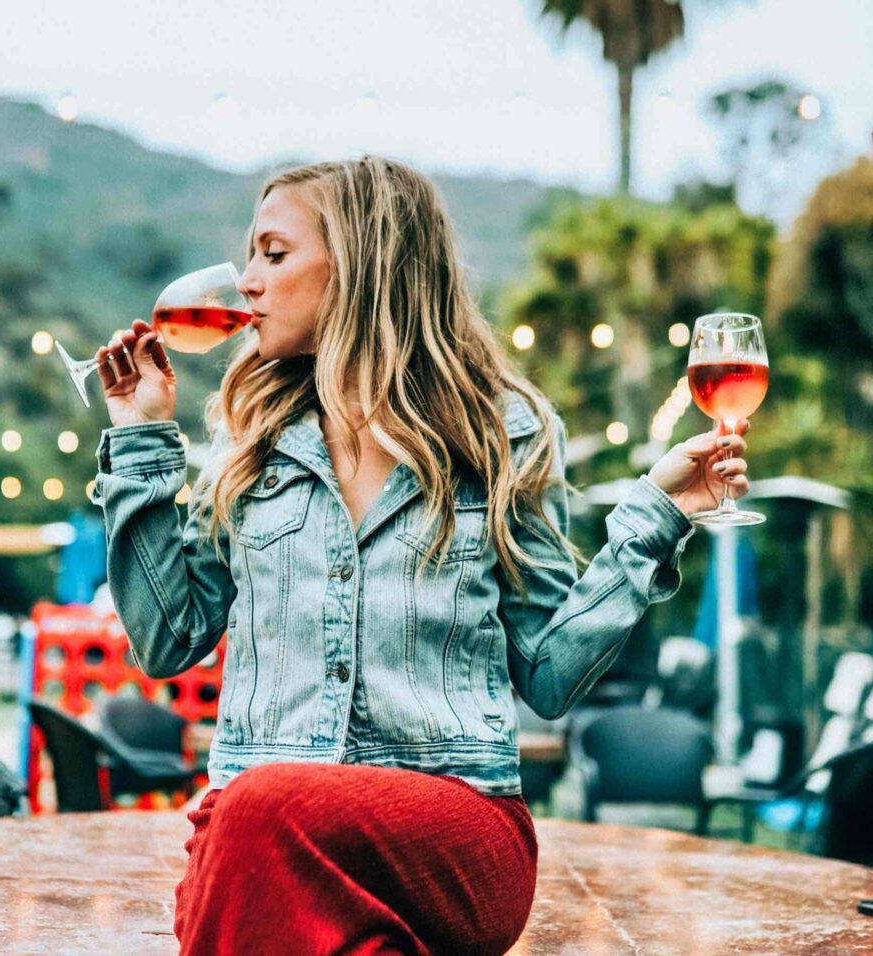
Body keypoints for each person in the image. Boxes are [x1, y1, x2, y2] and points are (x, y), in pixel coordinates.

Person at [92, 157, 751, 956]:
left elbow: (548, 672)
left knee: (261, 813)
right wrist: (137, 440)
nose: (248, 286)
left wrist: (658, 514)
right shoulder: (252, 441)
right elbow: (166, 641)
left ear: (362, 265)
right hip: (258, 832)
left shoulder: (503, 431)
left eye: (273, 253)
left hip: (448, 824)